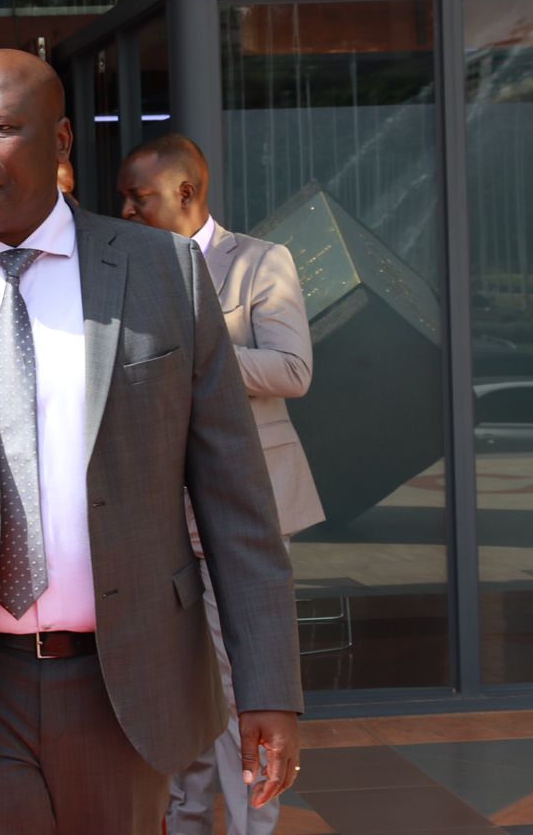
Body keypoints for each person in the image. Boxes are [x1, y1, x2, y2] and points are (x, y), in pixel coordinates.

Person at [0, 50, 303, 833]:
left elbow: (236, 499)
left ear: (60, 141)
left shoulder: (165, 272)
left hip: (125, 683)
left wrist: (270, 688)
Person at [116, 133, 323, 835]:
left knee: (244, 685)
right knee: (177, 685)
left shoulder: (261, 262)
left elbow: (293, 370)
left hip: (241, 511)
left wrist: (193, 352)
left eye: (138, 197)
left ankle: (250, 827)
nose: (126, 210)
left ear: (186, 192)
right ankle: (186, 820)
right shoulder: (130, 269)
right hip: (156, 516)